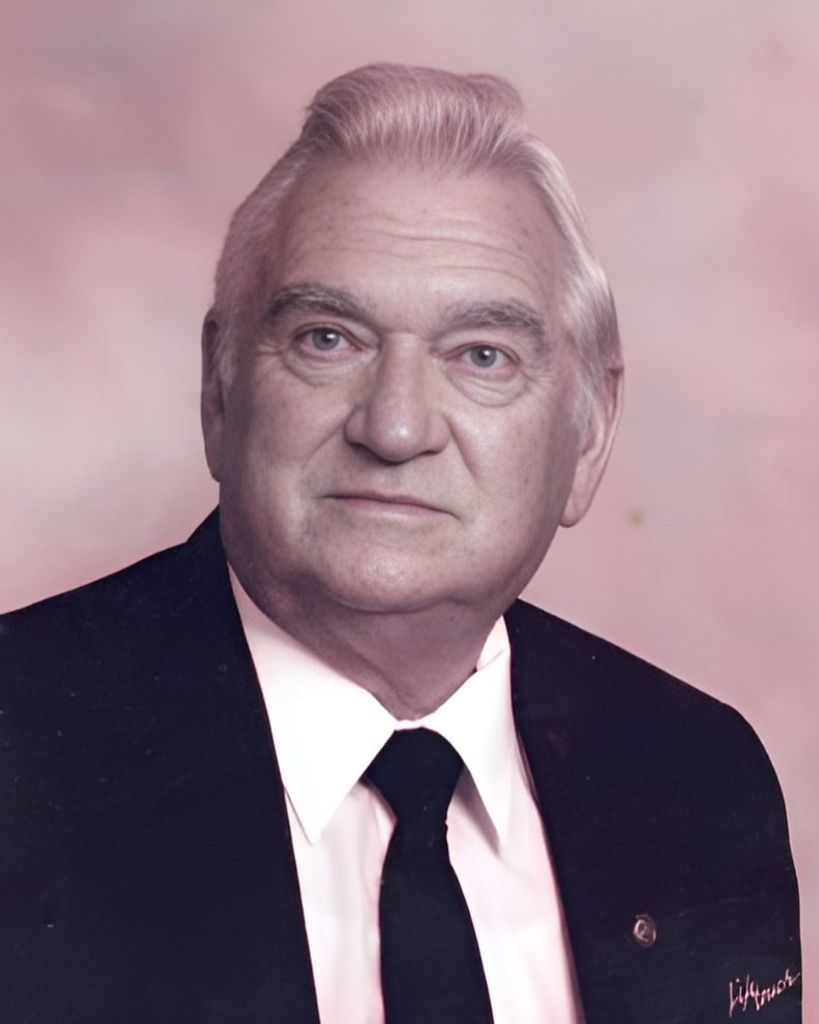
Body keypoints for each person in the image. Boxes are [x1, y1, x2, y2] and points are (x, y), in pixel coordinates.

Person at [0, 63, 801, 1024]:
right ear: (219, 390)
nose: (395, 427)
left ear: (588, 433)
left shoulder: (699, 776)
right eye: (327, 338)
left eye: (481, 357)